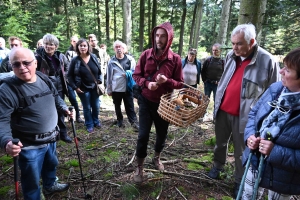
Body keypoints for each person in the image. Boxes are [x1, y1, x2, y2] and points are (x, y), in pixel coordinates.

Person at [207, 24, 280, 198]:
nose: (234, 47)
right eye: (233, 43)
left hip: (247, 117)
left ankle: (239, 179)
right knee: (220, 143)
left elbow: (275, 92)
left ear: (252, 42)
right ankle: (218, 166)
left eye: (239, 44)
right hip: (223, 111)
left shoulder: (267, 60)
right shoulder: (231, 56)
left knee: (242, 151)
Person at [0, 47, 71, 199]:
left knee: (51, 164)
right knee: (30, 179)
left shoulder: (43, 78)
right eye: (16, 64)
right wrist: (6, 142)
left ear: (36, 63)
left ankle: (50, 185)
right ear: (11, 66)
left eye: (26, 63)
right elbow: (2, 120)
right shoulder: (7, 90)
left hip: (51, 138)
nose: (22, 67)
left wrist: (63, 108)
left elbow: (56, 96)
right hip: (29, 145)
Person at [241, 48, 300, 199]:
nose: (281, 72)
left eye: (288, 70)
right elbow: (254, 114)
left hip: (285, 177)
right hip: (254, 162)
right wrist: (250, 136)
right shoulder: (276, 89)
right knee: (248, 196)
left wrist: (275, 152)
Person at [132, 22, 183, 183]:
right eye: (157, 35)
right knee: (143, 135)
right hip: (146, 101)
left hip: (164, 105)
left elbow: (180, 83)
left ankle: (157, 157)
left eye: (163, 36)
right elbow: (136, 75)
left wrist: (167, 81)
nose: (159, 39)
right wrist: (147, 84)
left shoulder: (175, 59)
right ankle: (140, 167)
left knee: (161, 135)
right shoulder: (146, 55)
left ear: (169, 39)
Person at [35, 34, 72, 143]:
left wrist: (64, 77)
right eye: (46, 44)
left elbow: (67, 68)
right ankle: (49, 134)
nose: (48, 46)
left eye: (51, 44)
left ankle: (63, 134)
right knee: (46, 111)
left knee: (60, 111)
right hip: (44, 89)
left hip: (59, 88)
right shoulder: (38, 57)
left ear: (56, 46)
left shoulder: (60, 56)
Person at [67, 38, 102, 133]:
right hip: (82, 88)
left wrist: (100, 80)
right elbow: (69, 76)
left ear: (88, 47)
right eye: (80, 46)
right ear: (77, 47)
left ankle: (96, 121)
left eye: (84, 45)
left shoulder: (93, 57)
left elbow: (99, 71)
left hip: (94, 87)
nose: (83, 47)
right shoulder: (75, 60)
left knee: (96, 106)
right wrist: (75, 87)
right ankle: (89, 124)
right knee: (86, 107)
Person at [106, 40, 139, 130]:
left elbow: (136, 72)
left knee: (130, 105)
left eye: (120, 47)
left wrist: (129, 73)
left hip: (128, 87)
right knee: (117, 105)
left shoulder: (130, 59)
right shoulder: (111, 61)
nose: (118, 49)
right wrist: (109, 89)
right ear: (114, 49)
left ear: (124, 49)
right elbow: (109, 76)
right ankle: (120, 121)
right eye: (116, 47)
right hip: (116, 87)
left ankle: (133, 122)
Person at [65, 36, 84, 123]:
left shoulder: (83, 52)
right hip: (70, 81)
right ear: (71, 42)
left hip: (81, 80)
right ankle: (77, 116)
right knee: (73, 98)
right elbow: (67, 67)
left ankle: (88, 116)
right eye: (73, 41)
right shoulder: (68, 53)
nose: (75, 43)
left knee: (85, 99)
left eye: (77, 41)